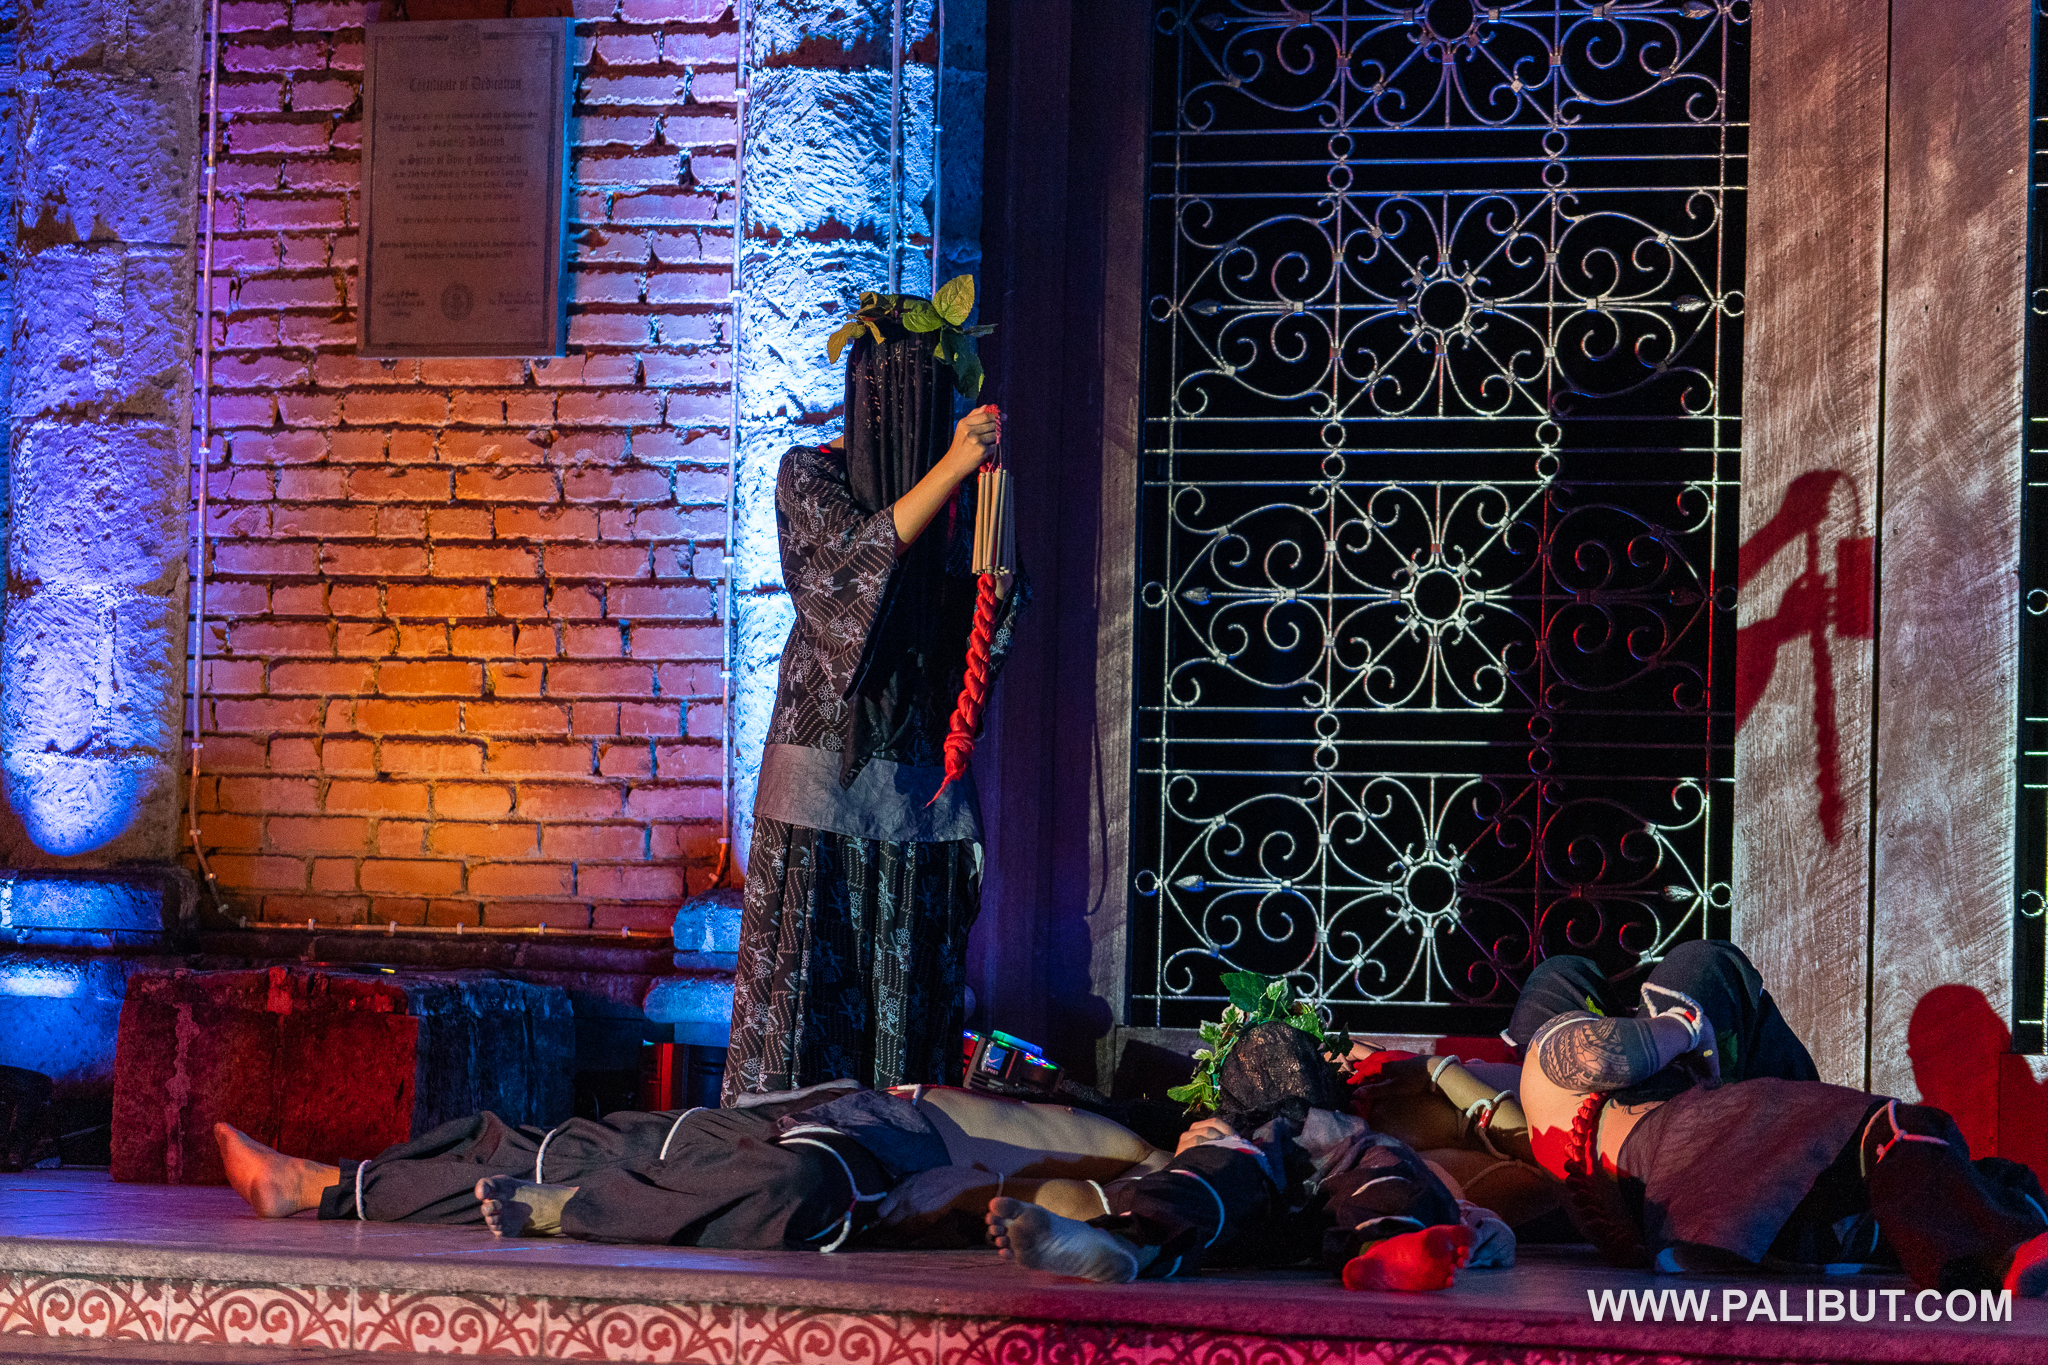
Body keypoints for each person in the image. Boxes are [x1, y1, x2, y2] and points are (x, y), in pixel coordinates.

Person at [725, 296, 1025, 1104]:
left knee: (900, 1039)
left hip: (913, 793)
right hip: (821, 789)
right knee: (805, 1024)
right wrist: (950, 468)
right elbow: (849, 576)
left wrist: (993, 531)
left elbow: (981, 628)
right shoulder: (809, 474)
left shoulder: (960, 506)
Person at [1508, 943, 2048, 1294]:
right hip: (1692, 1147)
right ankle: (1994, 1252)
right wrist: (1684, 1025)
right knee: (1897, 1132)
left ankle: (1999, 1232)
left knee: (1995, 1179)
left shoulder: (1542, 1114)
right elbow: (1596, 1053)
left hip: (1702, 1196)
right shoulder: (1551, 1057)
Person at [213, 1082, 1162, 1251]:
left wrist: (1186, 1150)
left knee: (795, 1188)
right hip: (789, 1118)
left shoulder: (1124, 1146)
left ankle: (572, 1210)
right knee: (533, 1147)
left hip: (868, 1153)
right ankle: (318, 1181)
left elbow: (1123, 1172)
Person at [984, 1023, 1514, 1290]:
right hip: (1243, 1203)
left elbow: (1439, 1188)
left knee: (1390, 1163)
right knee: (1212, 1167)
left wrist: (1479, 1225)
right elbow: (1136, 1169)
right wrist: (1193, 1155)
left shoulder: (1363, 1137)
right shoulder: (1223, 1136)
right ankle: (1125, 1244)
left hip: (1341, 1204)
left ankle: (1389, 1251)